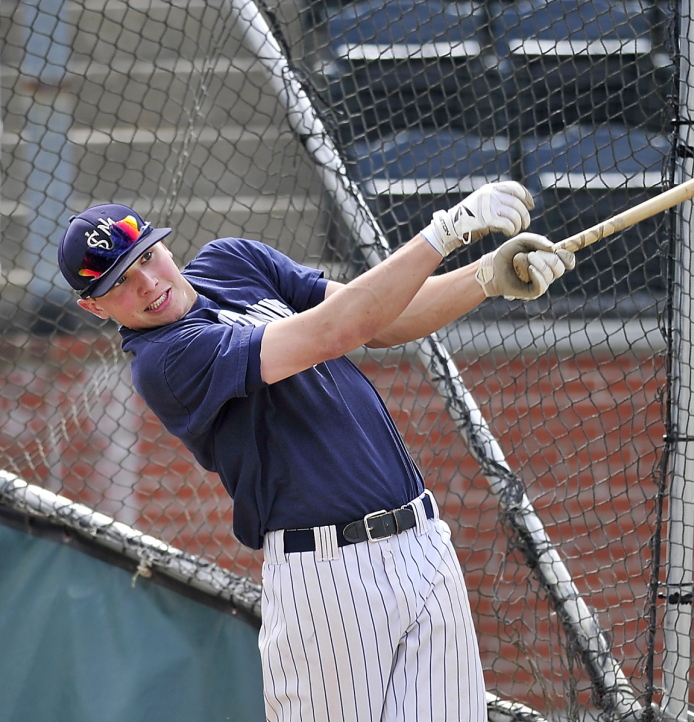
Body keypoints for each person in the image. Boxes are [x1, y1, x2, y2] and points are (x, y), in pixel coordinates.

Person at [56, 182, 574, 722]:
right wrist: (444, 232)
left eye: (147, 257)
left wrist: (486, 276)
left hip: (423, 544)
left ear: (164, 246)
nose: (146, 284)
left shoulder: (233, 261)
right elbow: (334, 331)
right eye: (119, 283)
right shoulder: (164, 360)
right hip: (328, 575)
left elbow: (383, 320)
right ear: (94, 307)